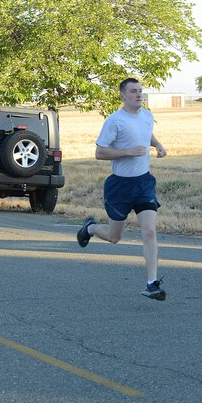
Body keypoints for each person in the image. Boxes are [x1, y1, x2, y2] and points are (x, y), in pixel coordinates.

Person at [76, 77, 168, 301]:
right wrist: (127, 152)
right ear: (123, 95)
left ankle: (151, 284)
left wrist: (157, 144)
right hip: (120, 186)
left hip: (144, 182)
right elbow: (100, 152)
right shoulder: (114, 121)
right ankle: (89, 229)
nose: (138, 94)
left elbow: (146, 134)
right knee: (115, 236)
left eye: (140, 91)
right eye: (133, 91)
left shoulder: (147, 115)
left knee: (149, 230)